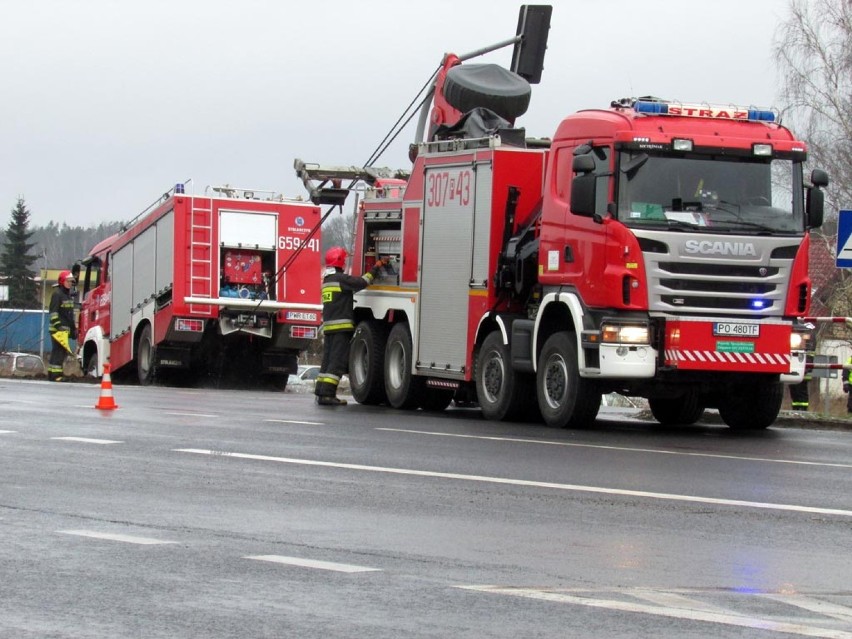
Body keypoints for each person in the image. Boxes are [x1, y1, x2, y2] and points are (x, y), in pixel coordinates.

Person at [315, 247, 385, 406]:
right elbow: (362, 282)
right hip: (341, 328)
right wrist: (376, 267)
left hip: (329, 328)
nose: (345, 262)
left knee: (327, 361)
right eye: (344, 259)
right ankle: (327, 395)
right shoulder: (341, 279)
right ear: (339, 261)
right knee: (337, 362)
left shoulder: (327, 280)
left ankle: (320, 390)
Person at [48, 270, 77, 382]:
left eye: (71, 281)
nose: (70, 283)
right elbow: (53, 312)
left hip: (65, 330)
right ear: (62, 281)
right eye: (68, 281)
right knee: (59, 352)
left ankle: (52, 374)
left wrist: (73, 329)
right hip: (57, 330)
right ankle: (56, 376)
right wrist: (58, 326)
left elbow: (69, 315)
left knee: (59, 351)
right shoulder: (57, 294)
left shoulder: (67, 296)